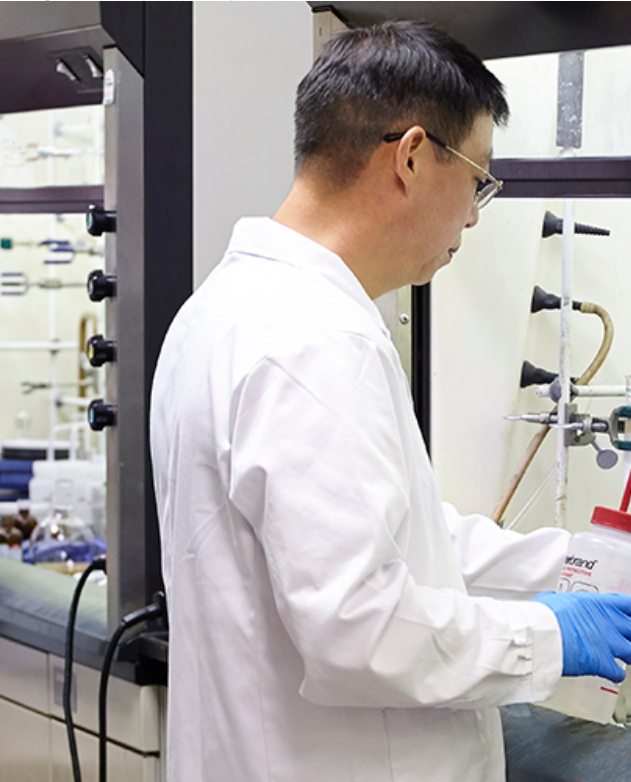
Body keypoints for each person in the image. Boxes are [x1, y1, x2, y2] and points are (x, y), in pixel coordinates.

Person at [150, 20, 631, 782]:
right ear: (410, 156)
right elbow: (357, 627)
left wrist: (588, 566)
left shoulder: (222, 309)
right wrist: (545, 635)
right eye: (477, 180)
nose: (472, 215)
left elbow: (399, 541)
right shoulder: (316, 340)